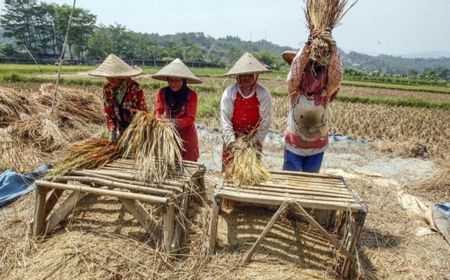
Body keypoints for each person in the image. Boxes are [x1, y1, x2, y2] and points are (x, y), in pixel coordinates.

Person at [282, 30, 343, 173]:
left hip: (317, 147)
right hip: (293, 146)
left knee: (310, 183)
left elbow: (336, 77)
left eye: (316, 68)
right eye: (308, 67)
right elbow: (295, 72)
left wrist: (333, 50)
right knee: (291, 183)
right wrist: (307, 47)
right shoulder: (295, 89)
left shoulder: (326, 92)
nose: (312, 73)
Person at [220, 52, 273, 169]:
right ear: (237, 77)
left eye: (250, 75)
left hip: (253, 139)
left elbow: (266, 121)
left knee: (251, 174)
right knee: (229, 172)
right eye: (242, 75)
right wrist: (232, 143)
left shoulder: (263, 94)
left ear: (256, 76)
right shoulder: (230, 93)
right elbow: (225, 120)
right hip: (233, 139)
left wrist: (254, 142)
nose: (246, 79)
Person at [88, 54, 147, 142]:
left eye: (114, 76)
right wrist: (112, 130)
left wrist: (133, 129)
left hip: (137, 129)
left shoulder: (134, 88)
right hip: (121, 129)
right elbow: (109, 112)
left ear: (121, 76)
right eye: (108, 76)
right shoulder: (107, 89)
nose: (110, 79)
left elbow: (143, 113)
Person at [152, 58, 201, 162]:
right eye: (171, 80)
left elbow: (190, 118)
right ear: (167, 80)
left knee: (188, 164)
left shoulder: (191, 95)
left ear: (184, 81)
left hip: (186, 135)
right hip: (169, 134)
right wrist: (160, 121)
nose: (174, 83)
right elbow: (158, 110)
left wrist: (173, 123)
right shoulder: (163, 92)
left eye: (178, 80)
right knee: (169, 162)